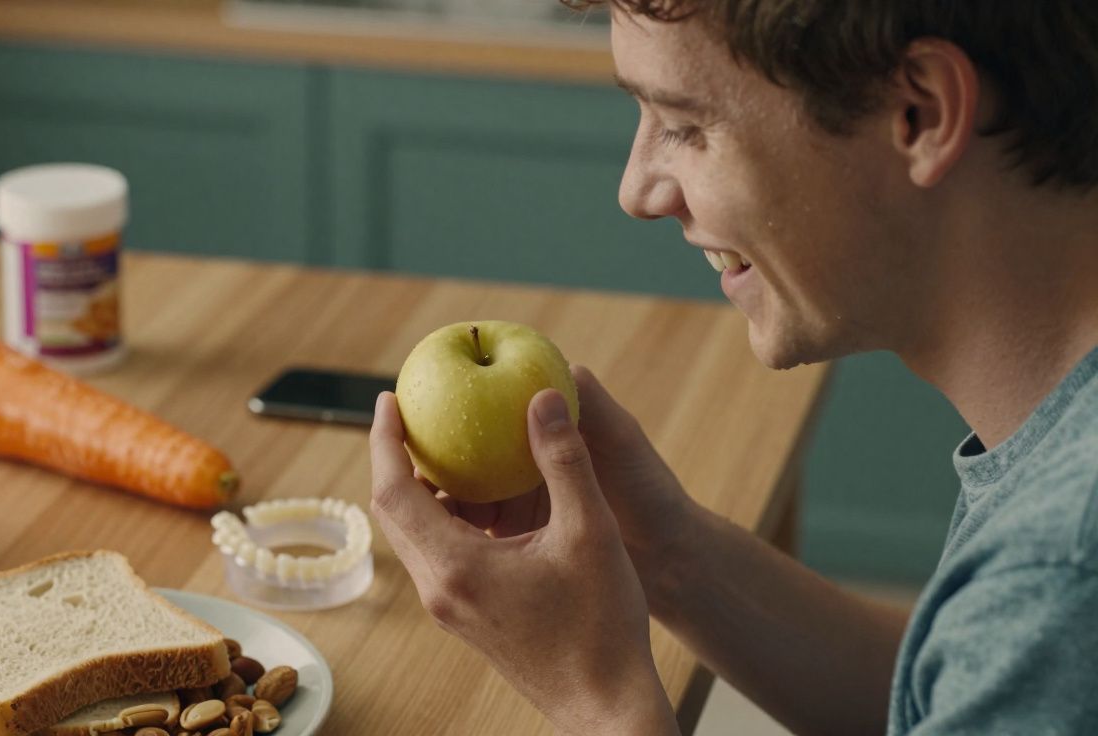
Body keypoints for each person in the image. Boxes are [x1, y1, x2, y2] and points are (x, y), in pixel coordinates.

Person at [369, 1, 1098, 733]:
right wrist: (665, 554)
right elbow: (963, 686)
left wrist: (595, 691)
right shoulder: (1044, 599)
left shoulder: (1062, 578)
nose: (637, 192)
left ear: (921, 114)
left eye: (683, 125)